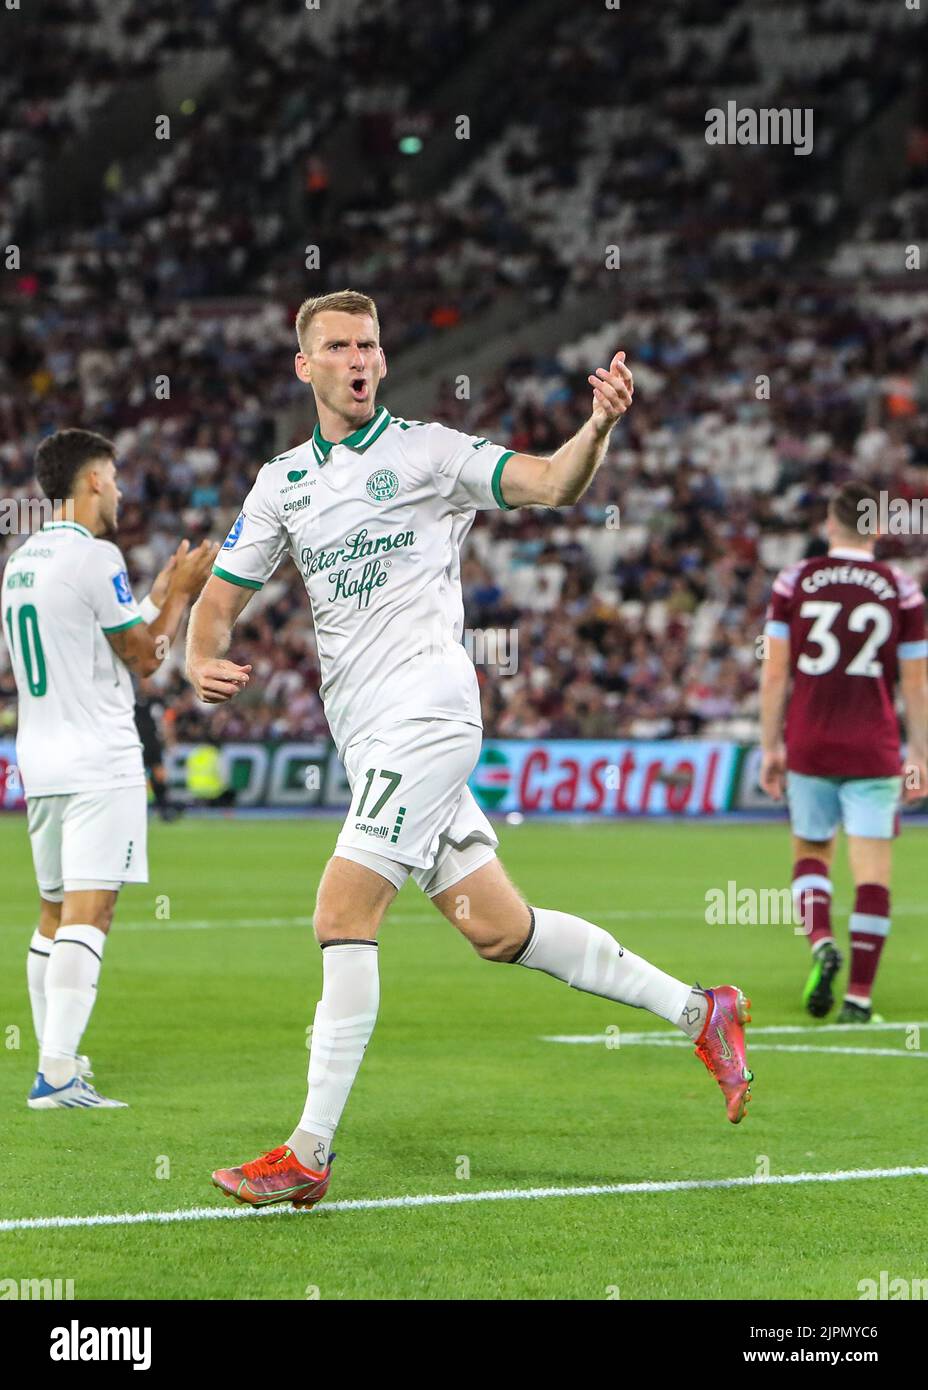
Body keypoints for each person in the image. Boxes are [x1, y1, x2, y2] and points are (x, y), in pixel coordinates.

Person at [186, 290, 753, 1210]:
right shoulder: (280, 482)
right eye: (339, 346)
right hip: (367, 736)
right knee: (501, 931)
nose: (360, 359)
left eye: (370, 343)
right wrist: (201, 656)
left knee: (341, 912)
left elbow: (550, 482)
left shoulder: (429, 451)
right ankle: (701, 1011)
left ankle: (307, 1152)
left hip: (429, 712)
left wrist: (597, 429)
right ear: (306, 366)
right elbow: (221, 597)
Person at [1, 429, 216, 1108]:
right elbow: (146, 659)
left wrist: (152, 599)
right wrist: (181, 594)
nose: (121, 490)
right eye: (115, 477)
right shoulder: (96, 556)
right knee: (92, 913)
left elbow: (105, 641)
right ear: (92, 480)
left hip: (41, 758)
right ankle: (57, 1074)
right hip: (99, 758)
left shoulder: (22, 559)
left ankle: (55, 1061)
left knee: (54, 912)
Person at [759, 482, 927, 1022]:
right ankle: (858, 998)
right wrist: (920, 752)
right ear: (878, 529)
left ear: (829, 526)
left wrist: (769, 747)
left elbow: (776, 671)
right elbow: (916, 684)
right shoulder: (902, 589)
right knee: (872, 873)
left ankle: (821, 943)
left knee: (811, 855)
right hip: (873, 747)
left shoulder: (795, 580)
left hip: (810, 741)